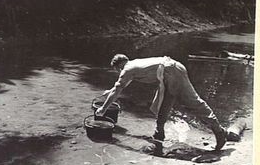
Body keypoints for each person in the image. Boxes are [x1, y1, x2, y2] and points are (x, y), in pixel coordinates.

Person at [95, 54, 227, 155]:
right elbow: (117, 88)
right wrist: (109, 92)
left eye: (118, 71)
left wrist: (103, 108)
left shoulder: (126, 70)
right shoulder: (133, 64)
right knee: (163, 102)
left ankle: (220, 131)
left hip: (171, 72)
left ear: (119, 67)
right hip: (171, 69)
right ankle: (159, 134)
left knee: (194, 102)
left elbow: (119, 89)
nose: (119, 73)